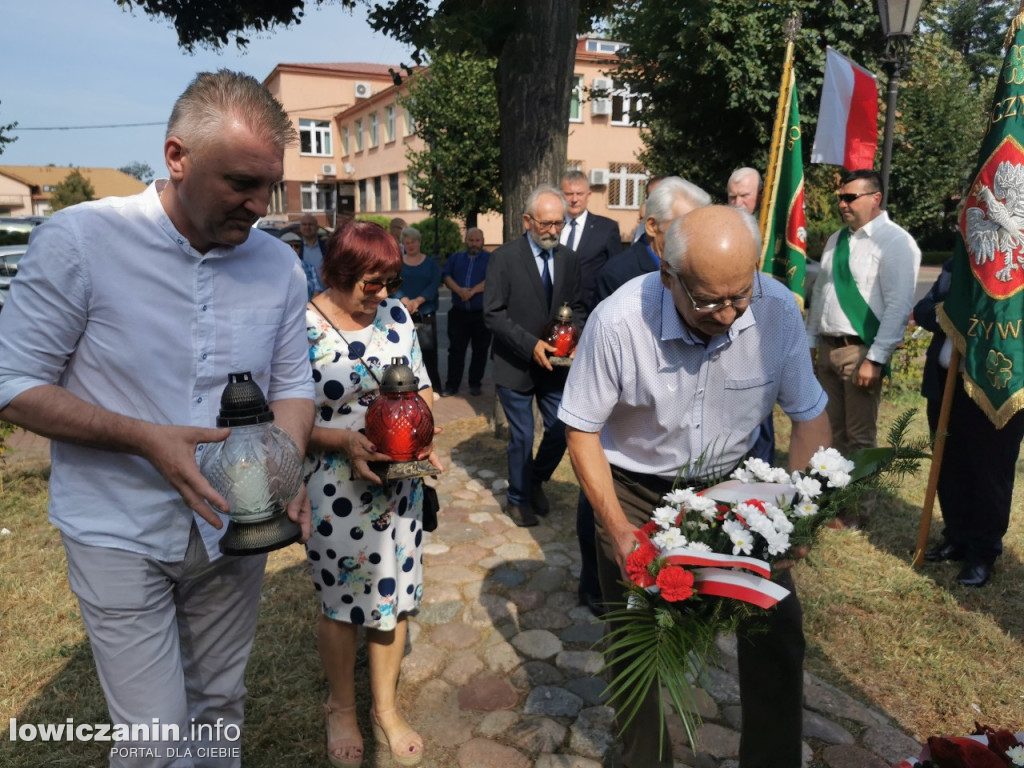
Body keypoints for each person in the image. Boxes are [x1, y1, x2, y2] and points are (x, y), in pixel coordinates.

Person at [0, 70, 315, 768]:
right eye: (240, 182)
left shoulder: (279, 267)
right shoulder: (80, 241)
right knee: (153, 741)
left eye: (269, 184)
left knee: (219, 707)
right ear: (177, 157)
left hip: (234, 530)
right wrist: (144, 438)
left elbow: (292, 384)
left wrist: (282, 467)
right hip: (118, 529)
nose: (259, 205)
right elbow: (13, 383)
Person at [560, 206, 831, 768]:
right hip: (638, 491)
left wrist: (800, 510)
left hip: (739, 492)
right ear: (668, 275)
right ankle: (645, 760)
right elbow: (581, 428)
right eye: (710, 301)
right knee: (636, 645)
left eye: (741, 295)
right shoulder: (617, 323)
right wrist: (617, 528)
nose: (731, 314)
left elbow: (809, 416)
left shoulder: (777, 309)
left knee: (776, 633)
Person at [304, 220, 441, 768]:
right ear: (337, 272)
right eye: (369, 283)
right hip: (335, 485)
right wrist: (343, 440)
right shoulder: (300, 325)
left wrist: (426, 434)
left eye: (388, 281)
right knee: (340, 603)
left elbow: (424, 385)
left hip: (399, 485)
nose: (381, 294)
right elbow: (285, 414)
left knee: (393, 595)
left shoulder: (397, 315)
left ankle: (385, 708)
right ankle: (342, 706)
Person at [580, 176, 709, 616]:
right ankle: (593, 584)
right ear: (653, 226)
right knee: (597, 509)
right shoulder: (618, 276)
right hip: (624, 428)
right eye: (683, 224)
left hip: (683, 436)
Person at [914, 260, 1024, 587]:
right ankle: (957, 536)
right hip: (948, 385)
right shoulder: (958, 264)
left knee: (990, 474)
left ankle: (982, 552)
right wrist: (949, 313)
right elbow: (923, 310)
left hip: (997, 391)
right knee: (949, 466)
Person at [484, 185, 585, 527]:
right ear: (527, 221)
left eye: (559, 223)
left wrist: (572, 338)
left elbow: (581, 308)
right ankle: (517, 498)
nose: (553, 231)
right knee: (524, 434)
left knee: (560, 428)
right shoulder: (504, 258)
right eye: (546, 224)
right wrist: (530, 345)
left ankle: (535, 479)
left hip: (556, 365)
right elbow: (493, 314)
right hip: (515, 362)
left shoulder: (570, 259)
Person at [806, 168, 921, 456]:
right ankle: (834, 500)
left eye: (850, 197)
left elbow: (898, 306)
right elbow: (820, 293)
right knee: (828, 436)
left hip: (860, 354)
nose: (842, 204)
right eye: (840, 198)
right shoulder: (836, 240)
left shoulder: (897, 242)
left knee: (860, 440)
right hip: (827, 349)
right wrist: (810, 343)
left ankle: (860, 503)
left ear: (875, 198)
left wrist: (876, 359)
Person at [594, 176, 709, 305]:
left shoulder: (701, 267)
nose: (693, 237)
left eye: (699, 228)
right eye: (683, 227)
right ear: (652, 226)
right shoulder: (618, 275)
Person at [727, 166, 775, 464]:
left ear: (759, 195)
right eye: (731, 197)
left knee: (762, 404)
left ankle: (764, 468)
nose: (737, 203)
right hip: (730, 328)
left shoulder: (771, 232)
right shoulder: (724, 227)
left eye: (744, 196)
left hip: (763, 329)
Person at [560, 169, 623, 310]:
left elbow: (615, 271)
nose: (574, 199)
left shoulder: (606, 228)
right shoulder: (552, 226)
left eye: (579, 194)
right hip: (554, 309)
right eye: (569, 194)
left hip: (591, 308)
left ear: (588, 195)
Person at [441, 227, 491, 397]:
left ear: (482, 242)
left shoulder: (490, 259)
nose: (474, 244)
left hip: (481, 313)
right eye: (471, 240)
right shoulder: (456, 258)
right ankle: (452, 385)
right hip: (458, 313)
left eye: (477, 240)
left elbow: (492, 278)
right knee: (455, 351)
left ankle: (475, 383)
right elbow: (446, 276)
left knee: (480, 351)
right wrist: (460, 290)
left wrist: (473, 291)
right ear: (466, 241)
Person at [391, 226, 442, 394]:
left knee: (428, 352)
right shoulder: (398, 264)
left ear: (419, 242)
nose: (410, 245)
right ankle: (405, 387)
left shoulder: (431, 264)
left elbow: (434, 285)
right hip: (402, 314)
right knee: (402, 351)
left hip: (425, 313)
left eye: (413, 242)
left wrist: (418, 301)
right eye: (407, 243)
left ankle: (432, 387)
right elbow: (393, 282)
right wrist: (404, 299)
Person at [283, 230, 324, 299]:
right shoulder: (276, 267)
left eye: (297, 246)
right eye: (290, 245)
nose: (293, 249)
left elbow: (317, 291)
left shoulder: (310, 267)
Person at [300, 212, 329, 278]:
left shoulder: (326, 246)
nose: (307, 227)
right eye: (304, 224)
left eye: (310, 224)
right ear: (300, 228)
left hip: (326, 287)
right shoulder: (296, 248)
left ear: (317, 227)